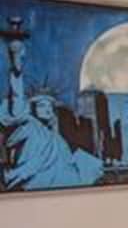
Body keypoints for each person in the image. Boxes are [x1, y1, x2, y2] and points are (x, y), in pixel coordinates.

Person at [0, 18, 102, 190]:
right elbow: (16, 94)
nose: (47, 110)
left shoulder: (56, 139)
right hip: (34, 185)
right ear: (32, 108)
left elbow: (69, 164)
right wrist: (15, 61)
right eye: (42, 105)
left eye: (49, 106)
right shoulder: (28, 126)